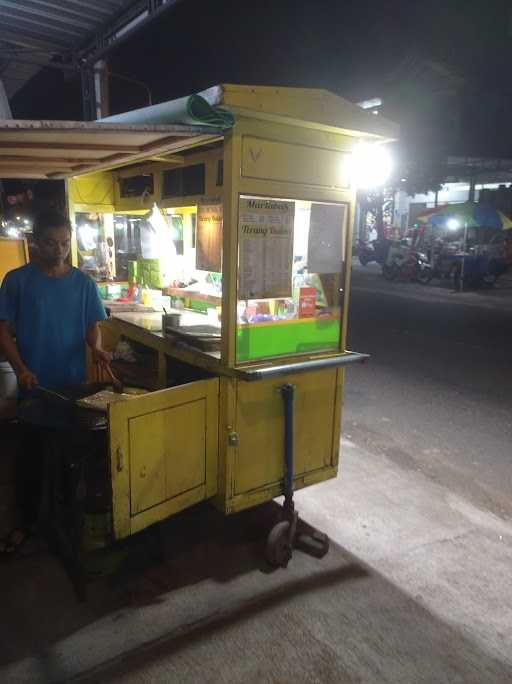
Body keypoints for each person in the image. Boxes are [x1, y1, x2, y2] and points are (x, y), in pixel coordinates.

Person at [0, 209, 110, 555]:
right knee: (31, 459)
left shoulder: (83, 283)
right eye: (50, 243)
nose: (59, 250)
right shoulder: (17, 281)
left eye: (65, 243)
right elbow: (2, 329)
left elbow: (93, 328)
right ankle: (26, 523)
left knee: (68, 462)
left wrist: (99, 349)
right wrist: (19, 368)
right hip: (35, 387)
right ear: (35, 243)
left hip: (70, 390)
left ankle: (65, 521)